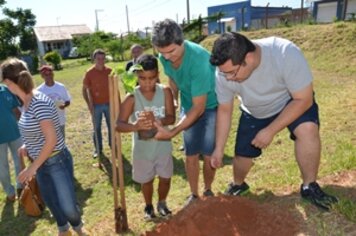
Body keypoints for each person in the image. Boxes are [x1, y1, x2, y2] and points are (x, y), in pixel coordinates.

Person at [209, 32, 338, 211]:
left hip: (290, 101)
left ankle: (309, 186)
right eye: (225, 74)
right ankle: (239, 184)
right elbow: (224, 109)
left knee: (307, 130)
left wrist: (270, 130)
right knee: (242, 157)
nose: (229, 78)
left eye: (232, 72)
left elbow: (304, 99)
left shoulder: (285, 53)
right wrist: (219, 148)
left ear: (249, 57)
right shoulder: (223, 72)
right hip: (254, 110)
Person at [0, 58, 88, 236]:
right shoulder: (25, 101)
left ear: (9, 82)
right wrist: (27, 145)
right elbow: (35, 129)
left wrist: (31, 168)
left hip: (56, 160)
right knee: (52, 202)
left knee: (68, 206)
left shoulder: (38, 102)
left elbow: (51, 140)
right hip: (41, 163)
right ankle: (63, 230)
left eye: (3, 82)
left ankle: (78, 228)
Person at [151, 19, 218, 205]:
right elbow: (173, 79)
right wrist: (173, 99)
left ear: (182, 41)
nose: (167, 57)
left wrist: (173, 131)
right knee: (190, 154)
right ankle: (194, 194)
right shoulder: (163, 57)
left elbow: (200, 107)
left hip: (211, 106)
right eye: (162, 52)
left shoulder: (199, 60)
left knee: (208, 154)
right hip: (189, 105)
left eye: (172, 51)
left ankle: (208, 190)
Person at [116, 54, 175, 219]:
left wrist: (157, 121)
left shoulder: (165, 92)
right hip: (142, 150)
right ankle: (148, 206)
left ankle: (162, 202)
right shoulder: (132, 97)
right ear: (136, 76)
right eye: (142, 78)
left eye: (151, 78)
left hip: (163, 146)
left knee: (165, 178)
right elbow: (118, 125)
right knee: (146, 180)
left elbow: (171, 117)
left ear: (157, 75)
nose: (147, 83)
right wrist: (135, 126)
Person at [82, 49, 112, 158]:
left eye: (103, 58)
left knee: (111, 126)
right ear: (94, 59)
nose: (101, 61)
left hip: (109, 104)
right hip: (96, 105)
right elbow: (84, 90)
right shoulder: (89, 73)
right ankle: (98, 149)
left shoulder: (110, 71)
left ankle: (113, 145)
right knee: (97, 128)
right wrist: (89, 104)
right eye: (98, 59)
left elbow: (115, 89)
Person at [0, 84, 23, 202]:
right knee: (2, 167)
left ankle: (20, 186)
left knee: (19, 160)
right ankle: (10, 192)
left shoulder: (6, 89)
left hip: (15, 132)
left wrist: (23, 126)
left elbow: (16, 110)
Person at [37, 65, 71, 138]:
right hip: (47, 122)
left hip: (60, 119)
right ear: (42, 76)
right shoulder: (39, 91)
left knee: (61, 141)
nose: (49, 76)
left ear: (53, 74)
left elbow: (68, 101)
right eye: (46, 75)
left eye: (50, 73)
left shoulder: (61, 87)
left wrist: (64, 105)